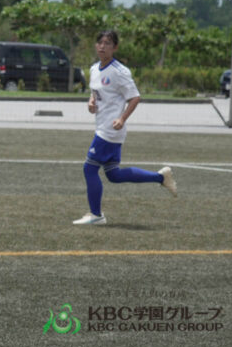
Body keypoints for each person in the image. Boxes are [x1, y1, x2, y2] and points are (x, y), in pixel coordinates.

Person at [74, 30, 177, 225]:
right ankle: (160, 177)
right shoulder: (94, 68)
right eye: (100, 42)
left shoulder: (119, 72)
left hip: (110, 130)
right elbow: (95, 93)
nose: (102, 46)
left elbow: (135, 97)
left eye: (107, 43)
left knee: (89, 168)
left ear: (115, 47)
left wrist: (122, 118)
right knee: (113, 174)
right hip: (102, 127)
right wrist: (91, 102)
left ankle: (96, 215)